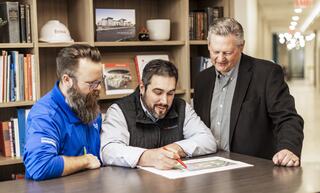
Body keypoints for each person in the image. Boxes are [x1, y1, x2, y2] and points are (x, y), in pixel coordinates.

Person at [193, 17, 304, 167]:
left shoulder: (267, 74)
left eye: (227, 52)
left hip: (254, 170)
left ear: (241, 46)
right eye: (215, 51)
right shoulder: (202, 80)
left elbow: (288, 118)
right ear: (208, 46)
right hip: (209, 168)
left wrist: (288, 148)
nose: (220, 59)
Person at [100, 59, 216, 169]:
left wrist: (176, 148)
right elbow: (108, 150)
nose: (164, 101)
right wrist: (148, 157)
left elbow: (208, 140)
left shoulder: (182, 107)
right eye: (158, 92)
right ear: (142, 88)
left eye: (170, 93)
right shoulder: (119, 110)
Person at [23, 44, 103, 180]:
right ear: (67, 80)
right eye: (92, 84)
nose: (99, 88)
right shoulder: (45, 114)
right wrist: (86, 161)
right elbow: (40, 165)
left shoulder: (88, 104)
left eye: (100, 81)